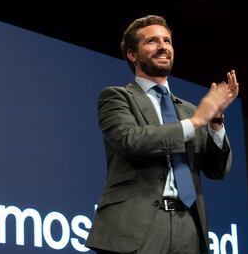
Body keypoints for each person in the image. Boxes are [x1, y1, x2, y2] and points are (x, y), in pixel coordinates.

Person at [85, 15, 239, 254]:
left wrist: (215, 122)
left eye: (167, 41)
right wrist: (197, 121)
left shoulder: (188, 110)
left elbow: (217, 170)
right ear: (132, 54)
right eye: (152, 41)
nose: (163, 47)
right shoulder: (116, 97)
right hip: (136, 226)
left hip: (188, 226)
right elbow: (131, 141)